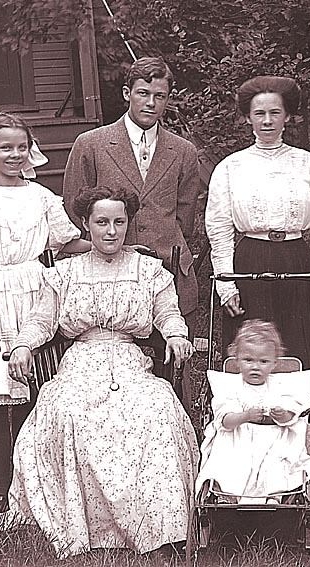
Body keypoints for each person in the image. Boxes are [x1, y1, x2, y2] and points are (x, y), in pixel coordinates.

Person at [0, 185, 199, 558]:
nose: (111, 231)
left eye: (119, 222)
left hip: (131, 362)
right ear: (86, 224)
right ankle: (81, 526)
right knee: (67, 411)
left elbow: (167, 313)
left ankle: (161, 528)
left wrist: (177, 336)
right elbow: (42, 319)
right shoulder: (64, 273)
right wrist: (23, 344)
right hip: (80, 364)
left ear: (128, 224)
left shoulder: (149, 271)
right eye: (102, 222)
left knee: (158, 411)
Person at [0, 112, 86, 517]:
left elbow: (68, 242)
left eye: (21, 146)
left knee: (37, 392)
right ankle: (3, 494)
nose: (15, 154)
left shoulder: (40, 195)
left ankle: (37, 490)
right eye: (5, 147)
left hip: (35, 293)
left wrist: (116, 249)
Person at [63, 57, 200, 368]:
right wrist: (110, 247)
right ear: (127, 93)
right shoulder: (92, 144)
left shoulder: (183, 151)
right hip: (108, 272)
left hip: (170, 269)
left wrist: (168, 248)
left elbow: (185, 215)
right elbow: (75, 207)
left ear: (168, 99)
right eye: (142, 93)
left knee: (175, 365)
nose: (150, 103)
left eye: (160, 96)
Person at [205, 75, 310, 370]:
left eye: (275, 113)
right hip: (250, 261)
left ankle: (304, 412)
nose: (267, 121)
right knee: (251, 348)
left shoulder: (309, 164)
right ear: (248, 118)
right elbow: (220, 230)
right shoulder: (230, 167)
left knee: (299, 345)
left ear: (287, 116)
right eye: (259, 113)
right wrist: (227, 284)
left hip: (296, 261)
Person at [195, 320, 310, 503]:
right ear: (237, 360)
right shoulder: (232, 387)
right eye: (248, 360)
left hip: (274, 437)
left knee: (278, 462)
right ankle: (227, 495)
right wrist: (245, 416)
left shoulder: (278, 386)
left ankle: (276, 496)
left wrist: (282, 415)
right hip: (239, 436)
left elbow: (293, 412)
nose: (255, 366)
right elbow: (225, 420)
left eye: (263, 361)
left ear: (274, 363)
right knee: (229, 459)